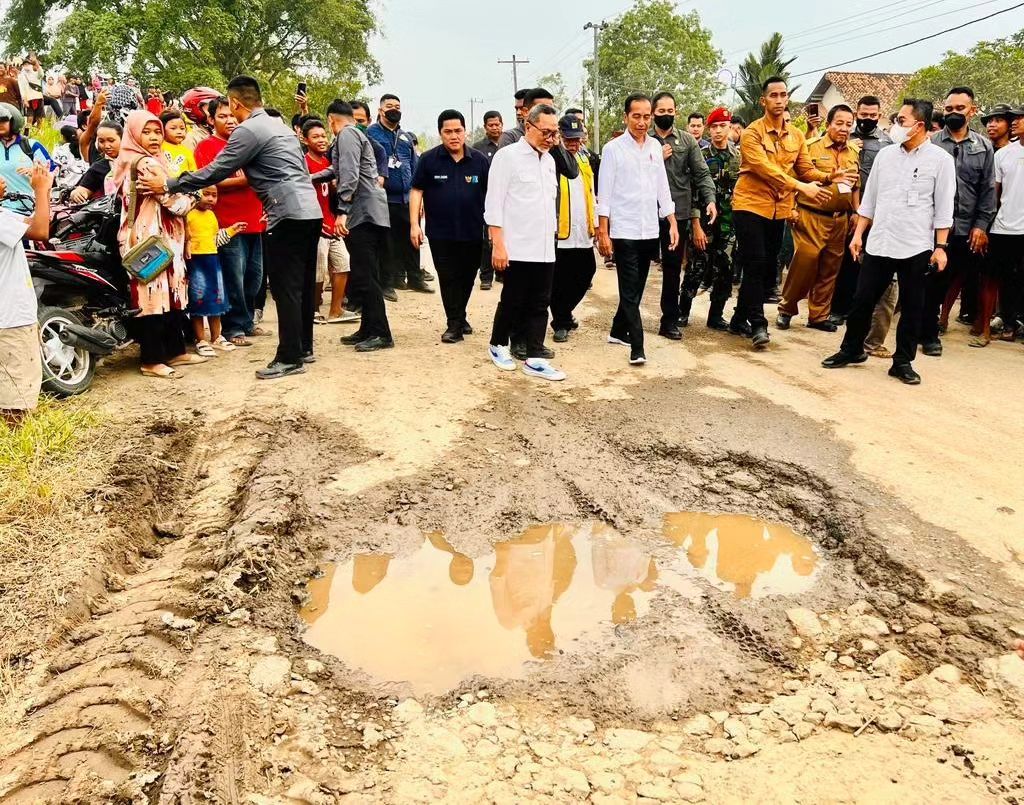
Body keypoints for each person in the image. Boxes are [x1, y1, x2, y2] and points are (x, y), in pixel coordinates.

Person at [145, 75, 323, 379]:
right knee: (303, 284)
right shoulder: (279, 128)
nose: (230, 115)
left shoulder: (249, 130)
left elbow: (217, 170)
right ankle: (303, 347)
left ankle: (289, 356)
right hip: (310, 211)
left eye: (230, 108)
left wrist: (170, 183)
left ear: (237, 103)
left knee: (286, 288)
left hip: (286, 214)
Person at [823, 99, 956, 385]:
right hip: (880, 240)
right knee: (862, 300)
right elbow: (869, 200)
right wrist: (858, 235)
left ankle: (903, 361)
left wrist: (941, 248)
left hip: (917, 245)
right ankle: (852, 349)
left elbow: (945, 208)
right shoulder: (885, 156)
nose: (896, 126)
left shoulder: (940, 161)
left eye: (902, 121)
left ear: (920, 126)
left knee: (912, 306)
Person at [730, 77, 847, 348]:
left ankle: (739, 318)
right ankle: (758, 324)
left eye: (783, 95)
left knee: (766, 266)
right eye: (774, 95)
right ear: (764, 100)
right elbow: (765, 170)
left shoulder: (795, 135)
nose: (780, 100)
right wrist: (801, 188)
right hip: (750, 205)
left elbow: (806, 169)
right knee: (756, 263)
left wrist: (829, 177)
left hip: (778, 210)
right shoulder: (752, 133)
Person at [115, 110, 205, 378]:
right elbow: (176, 204)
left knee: (170, 295)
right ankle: (152, 359)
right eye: (147, 132)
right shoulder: (146, 165)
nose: (154, 137)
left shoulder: (146, 159)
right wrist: (194, 197)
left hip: (160, 238)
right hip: (149, 240)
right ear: (133, 133)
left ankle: (174, 350)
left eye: (157, 131)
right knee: (152, 298)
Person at [596, 93, 679, 366]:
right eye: (637, 116)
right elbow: (604, 194)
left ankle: (618, 330)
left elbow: (662, 188)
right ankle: (638, 345)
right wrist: (603, 232)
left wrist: (672, 220)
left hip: (648, 229)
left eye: (646, 116)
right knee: (629, 289)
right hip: (624, 229)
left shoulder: (656, 146)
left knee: (638, 286)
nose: (642, 122)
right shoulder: (613, 149)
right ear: (626, 117)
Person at [485, 103, 565, 381]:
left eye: (555, 133)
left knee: (541, 302)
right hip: (516, 245)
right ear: (528, 126)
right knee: (513, 299)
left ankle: (534, 356)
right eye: (546, 131)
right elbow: (493, 205)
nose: (551, 138)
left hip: (544, 246)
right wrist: (498, 244)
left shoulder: (550, 159)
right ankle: (497, 344)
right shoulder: (507, 157)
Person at [312, 100, 394, 352]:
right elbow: (335, 170)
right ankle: (368, 328)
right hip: (370, 212)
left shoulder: (347, 134)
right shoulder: (354, 135)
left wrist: (342, 211)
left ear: (330, 120)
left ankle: (381, 333)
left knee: (366, 275)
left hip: (364, 214)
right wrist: (308, 178)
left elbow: (348, 176)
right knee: (361, 273)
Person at [921, 87, 996, 354]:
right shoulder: (930, 143)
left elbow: (987, 189)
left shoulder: (983, 145)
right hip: (931, 226)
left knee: (949, 280)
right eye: (949, 109)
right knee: (928, 280)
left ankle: (931, 329)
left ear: (972, 111)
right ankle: (926, 333)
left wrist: (981, 226)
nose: (954, 113)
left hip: (965, 227)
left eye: (960, 109)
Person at [777, 104, 860, 332]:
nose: (844, 128)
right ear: (828, 124)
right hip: (811, 215)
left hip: (840, 219)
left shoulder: (853, 152)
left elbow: (855, 187)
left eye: (848, 124)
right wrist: (791, 208)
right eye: (839, 123)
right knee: (805, 262)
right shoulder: (810, 147)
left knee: (830, 268)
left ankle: (818, 316)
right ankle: (787, 308)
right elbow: (790, 180)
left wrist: (856, 213)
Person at [194, 96, 269, 347]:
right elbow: (211, 182)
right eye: (222, 116)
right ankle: (233, 326)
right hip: (227, 223)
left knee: (254, 278)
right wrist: (250, 179)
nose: (229, 120)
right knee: (233, 277)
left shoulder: (249, 142)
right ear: (211, 119)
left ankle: (247, 322)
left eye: (231, 115)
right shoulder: (206, 147)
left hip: (255, 220)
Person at [410, 109, 489, 343]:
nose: (454, 136)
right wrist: (414, 224)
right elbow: (417, 190)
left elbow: (492, 196)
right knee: (448, 277)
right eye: (448, 132)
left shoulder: (480, 161)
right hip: (440, 233)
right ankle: (453, 324)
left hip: (473, 231)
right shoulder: (429, 159)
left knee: (466, 277)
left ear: (465, 131)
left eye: (458, 131)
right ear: (440, 133)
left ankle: (459, 315)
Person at [650, 91, 716, 341]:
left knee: (672, 268)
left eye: (670, 111)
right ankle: (626, 319)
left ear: (676, 112)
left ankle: (669, 320)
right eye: (661, 111)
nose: (666, 115)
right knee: (636, 269)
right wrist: (655, 157)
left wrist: (710, 199)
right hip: (646, 213)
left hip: (677, 216)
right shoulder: (645, 139)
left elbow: (701, 174)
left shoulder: (687, 141)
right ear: (653, 112)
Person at [367, 93, 432, 298]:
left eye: (397, 106)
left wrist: (418, 196)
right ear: (380, 110)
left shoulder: (404, 136)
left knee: (413, 239)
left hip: (406, 198)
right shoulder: (372, 134)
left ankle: (415, 278)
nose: (394, 109)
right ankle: (387, 282)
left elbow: (414, 165)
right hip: (383, 198)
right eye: (389, 106)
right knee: (386, 243)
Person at [0, 164, 51, 424]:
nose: (2, 180)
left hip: (8, 316)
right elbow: (41, 232)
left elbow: (33, 221)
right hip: (10, 319)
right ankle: (18, 447)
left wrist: (44, 193)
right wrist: (42, 190)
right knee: (15, 401)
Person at [681, 106, 740, 330]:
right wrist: (695, 224)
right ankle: (682, 312)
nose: (718, 131)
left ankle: (715, 316)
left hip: (729, 224)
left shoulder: (739, 156)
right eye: (714, 127)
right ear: (708, 129)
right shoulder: (700, 156)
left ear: (729, 127)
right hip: (703, 223)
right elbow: (692, 192)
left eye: (722, 126)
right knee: (696, 267)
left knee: (725, 270)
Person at [549, 114, 597, 344]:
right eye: (568, 139)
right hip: (561, 232)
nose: (574, 144)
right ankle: (560, 321)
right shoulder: (552, 159)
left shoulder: (585, 158)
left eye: (577, 139)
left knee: (587, 271)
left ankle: (565, 312)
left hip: (582, 229)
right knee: (560, 278)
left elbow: (591, 193)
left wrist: (595, 225)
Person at [303, 118, 356, 325]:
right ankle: (313, 308)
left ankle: (336, 309)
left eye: (323, 135)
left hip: (331, 221)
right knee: (318, 269)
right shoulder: (304, 163)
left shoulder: (329, 162)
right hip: (315, 223)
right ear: (305, 140)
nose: (321, 140)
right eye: (315, 136)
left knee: (343, 263)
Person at [186, 186, 246, 356]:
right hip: (196, 262)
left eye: (214, 195)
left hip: (213, 261)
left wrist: (231, 231)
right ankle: (200, 339)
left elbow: (215, 240)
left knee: (216, 299)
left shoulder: (211, 216)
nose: (211, 199)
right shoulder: (187, 215)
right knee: (197, 301)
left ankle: (216, 337)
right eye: (206, 194)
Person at [985, 106, 1024, 344]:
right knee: (1005, 279)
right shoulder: (1003, 155)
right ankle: (1007, 322)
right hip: (1003, 227)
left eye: (1020, 118)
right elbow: (994, 194)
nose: (1014, 122)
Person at [0, 103, 53, 212]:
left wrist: (36, 172)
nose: (0, 124)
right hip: (3, 210)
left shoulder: (31, 146)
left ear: (14, 121)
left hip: (29, 209)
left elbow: (52, 170)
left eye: (4, 120)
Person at [472, 110, 503, 291]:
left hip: (506, 199)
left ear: (502, 124)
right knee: (486, 239)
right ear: (485, 127)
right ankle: (486, 276)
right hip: (485, 198)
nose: (494, 127)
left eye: (497, 124)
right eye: (491, 125)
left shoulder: (509, 144)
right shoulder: (478, 148)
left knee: (504, 236)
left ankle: (502, 272)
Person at [69, 121, 121, 203]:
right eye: (101, 141)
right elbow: (83, 189)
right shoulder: (98, 167)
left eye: (111, 140)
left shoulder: (137, 162)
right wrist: (77, 194)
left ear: (123, 139)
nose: (107, 146)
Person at [350, 100, 389, 186]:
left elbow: (379, 183)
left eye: (360, 121)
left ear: (369, 121)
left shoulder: (378, 150)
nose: (355, 125)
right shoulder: (335, 146)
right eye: (351, 121)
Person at [160, 110, 197, 178]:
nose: (179, 132)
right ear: (162, 129)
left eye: (182, 128)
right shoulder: (159, 147)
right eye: (173, 128)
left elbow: (193, 173)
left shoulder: (187, 151)